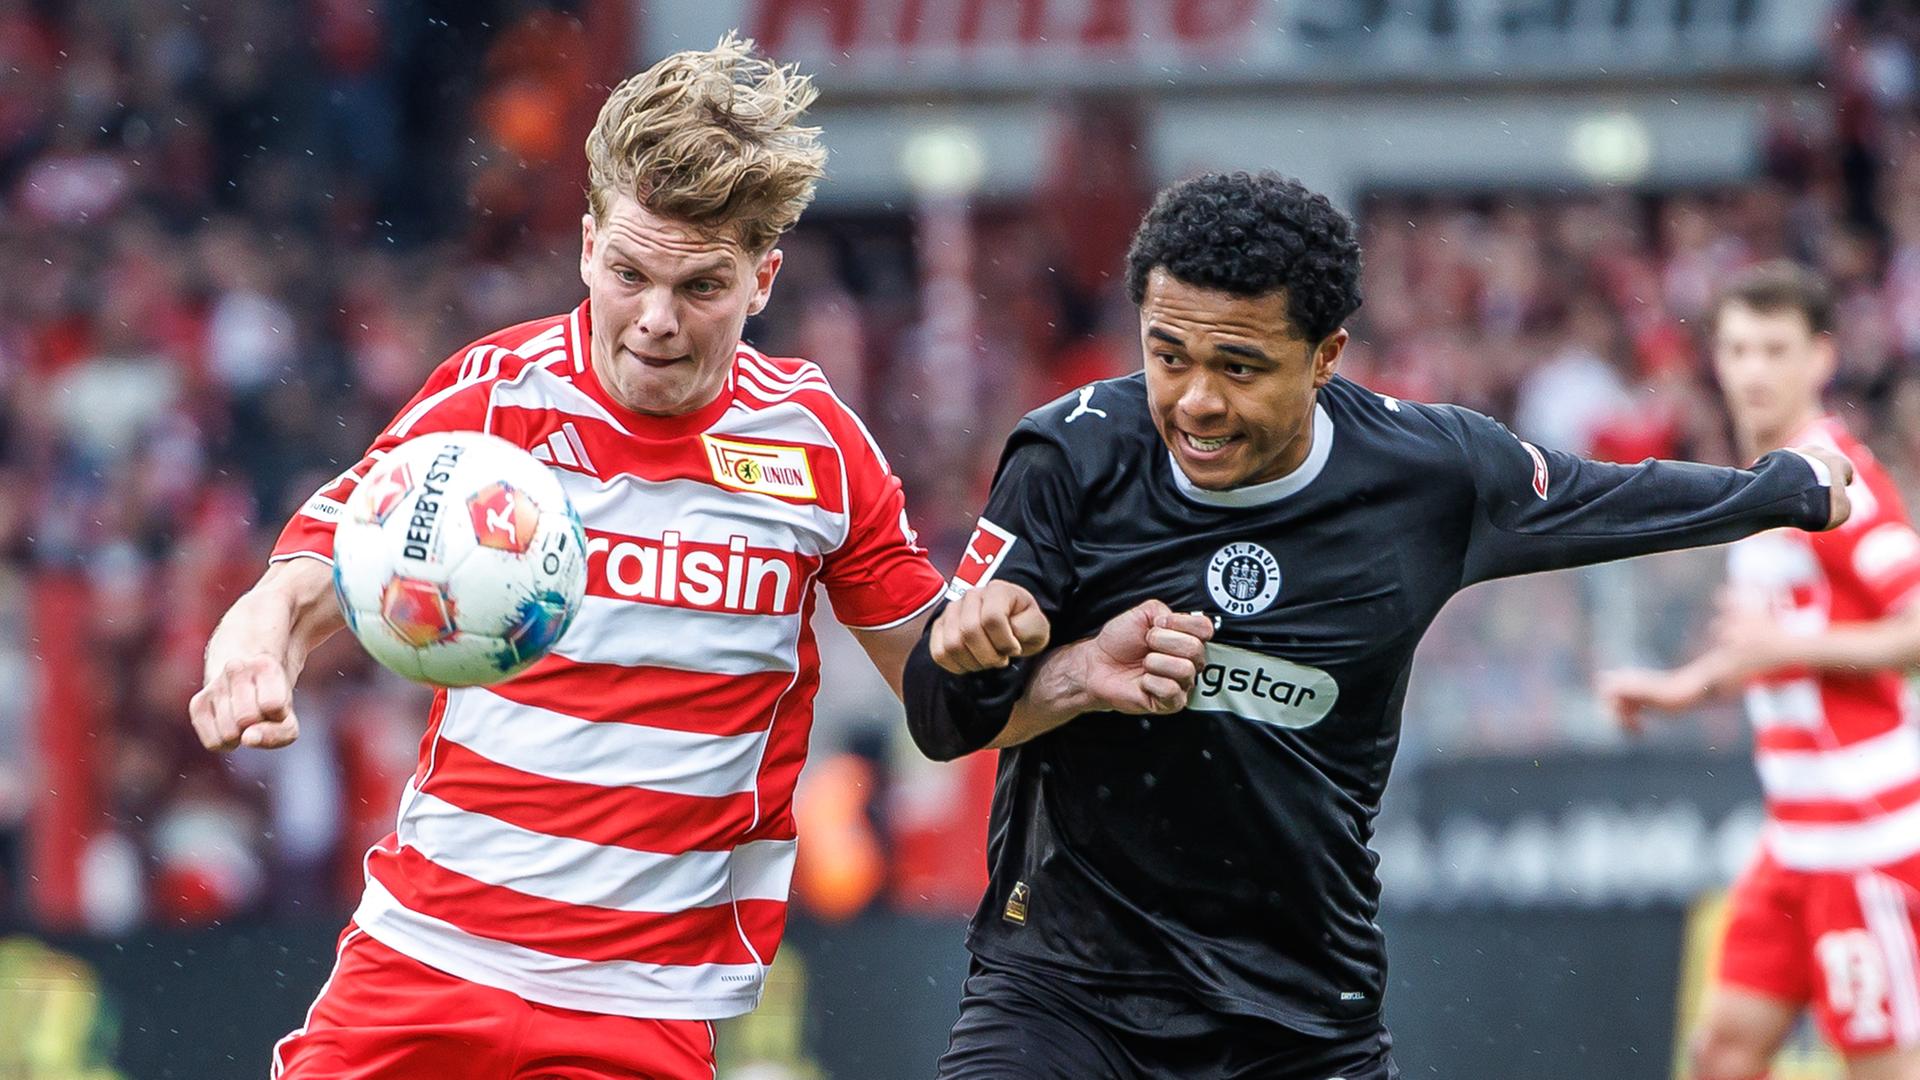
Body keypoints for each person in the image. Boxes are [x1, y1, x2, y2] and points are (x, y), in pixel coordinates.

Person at [902, 172, 1855, 1080]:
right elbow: (941, 717)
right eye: (1168, 355)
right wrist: (1023, 662)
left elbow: (1610, 499)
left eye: (1240, 366)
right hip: (1064, 991)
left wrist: (1786, 487)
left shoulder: (1427, 474)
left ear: (1326, 356)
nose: (1195, 400)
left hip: (1300, 1013)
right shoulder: (1070, 455)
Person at [187, 36, 946, 1080]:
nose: (656, 322)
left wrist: (1071, 670)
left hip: (642, 1008)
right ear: (588, 245)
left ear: (762, 277)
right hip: (422, 960)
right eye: (629, 273)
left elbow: (946, 686)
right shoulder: (493, 398)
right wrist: (254, 649)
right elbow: (313, 570)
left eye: (702, 287)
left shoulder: (818, 451)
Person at [1599, 263, 1920, 1080]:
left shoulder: (1842, 481)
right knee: (1723, 1055)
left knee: (1881, 1066)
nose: (1752, 371)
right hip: (1796, 838)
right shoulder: (1770, 483)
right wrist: (1684, 688)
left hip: (1868, 839)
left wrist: (1781, 652)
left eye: (1775, 350)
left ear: (1821, 359)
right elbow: (1776, 639)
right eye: (1737, 349)